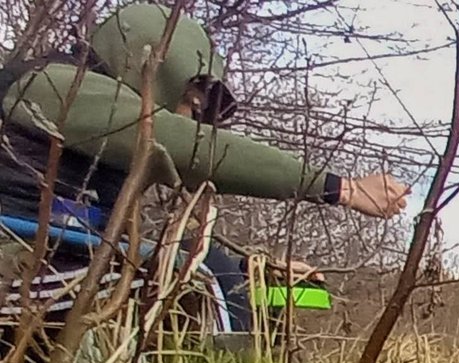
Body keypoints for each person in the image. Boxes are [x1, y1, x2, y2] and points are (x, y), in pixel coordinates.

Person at [0, 3, 409, 334]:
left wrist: (251, 269)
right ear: (150, 65)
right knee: (209, 275)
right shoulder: (55, 85)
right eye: (192, 104)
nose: (190, 121)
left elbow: (126, 228)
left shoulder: (95, 135)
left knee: (234, 277)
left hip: (44, 253)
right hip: (14, 255)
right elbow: (181, 144)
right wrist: (342, 188)